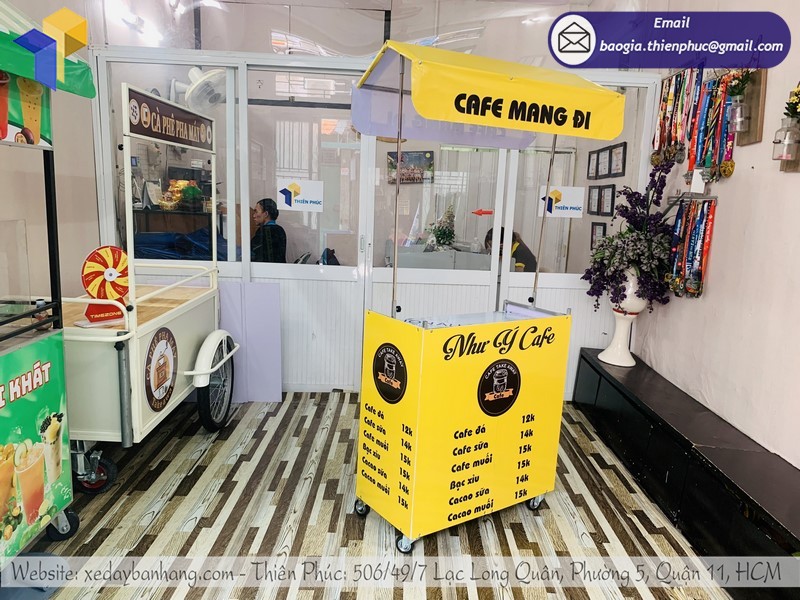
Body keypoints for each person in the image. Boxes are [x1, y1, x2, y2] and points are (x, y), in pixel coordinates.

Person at [251, 198, 287, 263]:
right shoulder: (280, 230)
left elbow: (252, 253)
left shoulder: (263, 231)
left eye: (256, 212)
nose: (254, 216)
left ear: (266, 214)